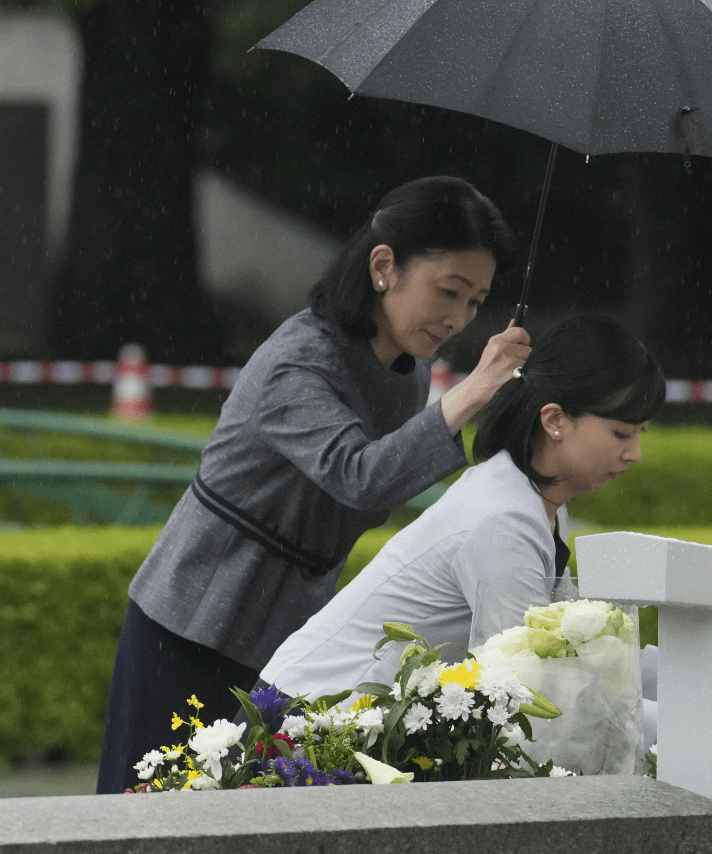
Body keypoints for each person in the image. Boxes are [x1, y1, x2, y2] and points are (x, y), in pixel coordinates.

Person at [96, 176, 530, 794]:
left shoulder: (409, 370)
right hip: (195, 618)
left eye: (476, 301)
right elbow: (359, 477)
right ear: (384, 267)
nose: (459, 318)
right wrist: (471, 393)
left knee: (253, 813)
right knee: (146, 809)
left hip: (293, 631)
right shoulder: (299, 358)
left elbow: (383, 480)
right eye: (449, 291)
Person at [257, 314, 712, 759]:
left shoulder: (536, 501)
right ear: (554, 420)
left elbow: (587, 664)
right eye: (621, 433)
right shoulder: (504, 521)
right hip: (305, 729)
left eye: (640, 433)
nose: (635, 453)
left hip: (347, 724)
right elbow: (532, 697)